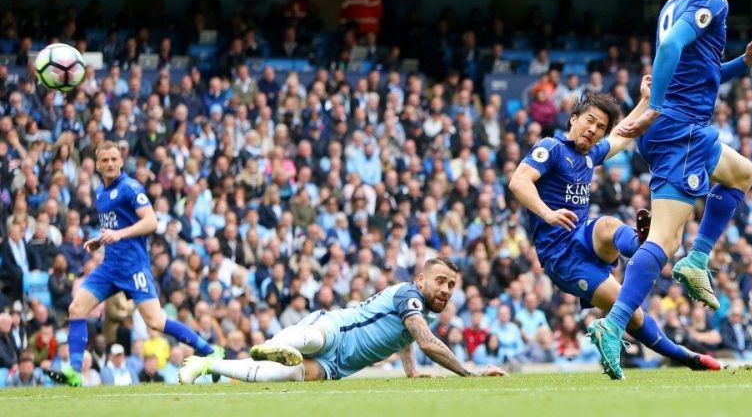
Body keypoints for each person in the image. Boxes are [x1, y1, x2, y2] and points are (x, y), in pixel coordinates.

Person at [587, 0, 752, 380]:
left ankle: (698, 259)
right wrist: (653, 105)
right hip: (680, 129)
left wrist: (744, 63)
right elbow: (671, 47)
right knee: (664, 239)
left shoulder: (678, 0)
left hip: (679, 129)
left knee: (741, 173)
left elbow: (700, 70)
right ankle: (614, 325)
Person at [509, 81, 720, 379]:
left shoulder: (590, 156)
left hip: (582, 235)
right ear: (574, 119)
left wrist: (646, 100)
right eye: (589, 121)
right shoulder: (551, 148)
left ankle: (642, 245)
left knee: (608, 223)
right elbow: (518, 181)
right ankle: (685, 356)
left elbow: (623, 132)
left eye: (600, 127)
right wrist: (548, 213)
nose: (593, 129)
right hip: (561, 256)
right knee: (632, 314)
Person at [46, 141, 222, 387]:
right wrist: (101, 240)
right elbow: (116, 226)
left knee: (156, 322)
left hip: (134, 268)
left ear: (120, 161)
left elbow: (151, 222)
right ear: (97, 165)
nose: (109, 164)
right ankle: (75, 373)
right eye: (104, 160)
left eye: (113, 159)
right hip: (110, 267)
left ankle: (210, 350)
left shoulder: (130, 187)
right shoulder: (101, 194)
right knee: (76, 309)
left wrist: (118, 235)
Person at [178, 258, 507, 383]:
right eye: (441, 281)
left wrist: (411, 371)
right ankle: (272, 345)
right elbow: (424, 341)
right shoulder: (410, 294)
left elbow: (408, 335)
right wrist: (470, 373)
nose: (447, 289)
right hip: (338, 328)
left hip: (337, 366)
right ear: (421, 280)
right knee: (313, 339)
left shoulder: (421, 310)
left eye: (451, 284)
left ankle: (206, 364)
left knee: (281, 376)